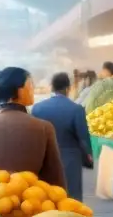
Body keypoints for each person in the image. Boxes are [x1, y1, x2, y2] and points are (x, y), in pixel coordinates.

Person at [0, 67, 66, 187]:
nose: (33, 90)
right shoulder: (45, 128)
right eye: (31, 85)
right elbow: (56, 181)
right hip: (34, 202)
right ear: (20, 91)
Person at [31, 72, 92, 201]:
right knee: (71, 197)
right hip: (70, 160)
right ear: (68, 88)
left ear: (52, 87)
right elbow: (83, 137)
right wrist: (88, 156)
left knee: (47, 197)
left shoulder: (37, 108)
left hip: (45, 159)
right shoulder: (76, 109)